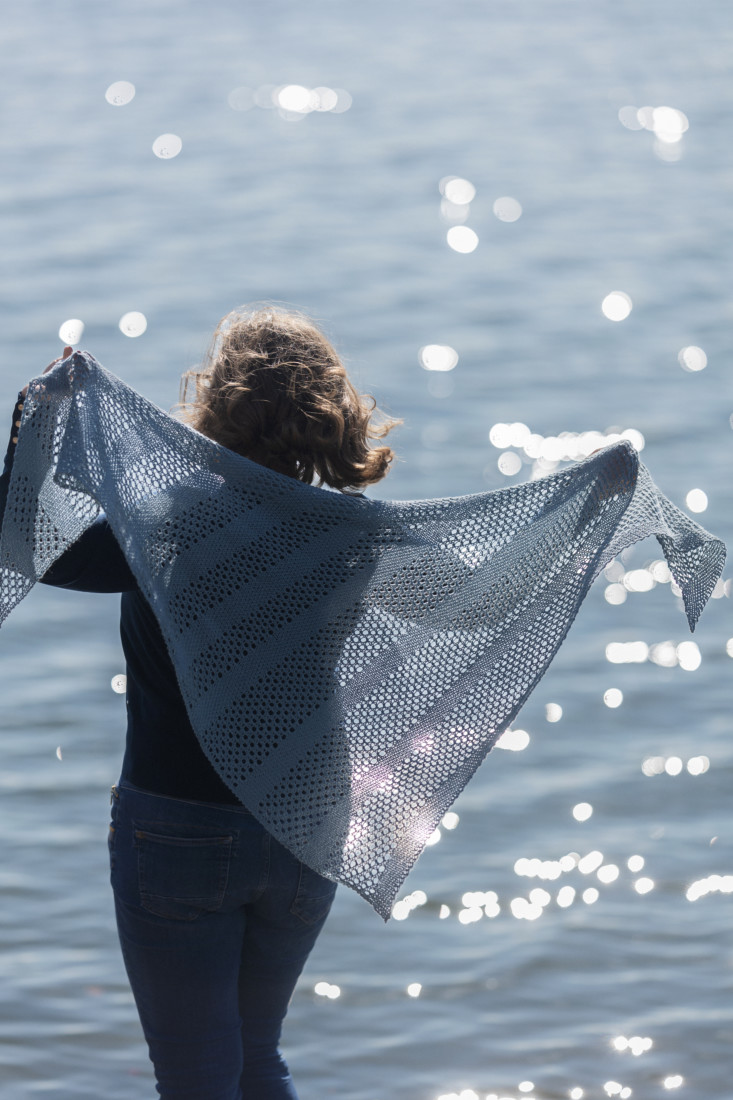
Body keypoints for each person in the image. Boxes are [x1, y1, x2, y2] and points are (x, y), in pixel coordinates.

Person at [1, 306, 401, 1100]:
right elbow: (479, 595)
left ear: (215, 403)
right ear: (333, 410)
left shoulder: (168, 525)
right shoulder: (352, 533)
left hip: (180, 830)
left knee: (197, 1079)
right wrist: (592, 497)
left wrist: (37, 421)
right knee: (257, 1060)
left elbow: (19, 538)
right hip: (303, 826)